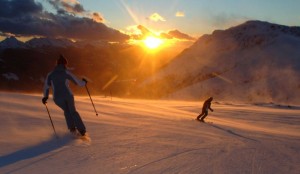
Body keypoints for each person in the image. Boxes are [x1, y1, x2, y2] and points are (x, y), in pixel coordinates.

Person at [42, 54, 88, 136]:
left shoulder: (50, 74)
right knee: (73, 112)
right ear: (65, 64)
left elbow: (46, 87)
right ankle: (82, 131)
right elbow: (78, 83)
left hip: (57, 98)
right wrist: (84, 82)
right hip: (68, 95)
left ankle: (72, 130)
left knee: (67, 111)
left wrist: (45, 97)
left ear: (57, 64)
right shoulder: (66, 72)